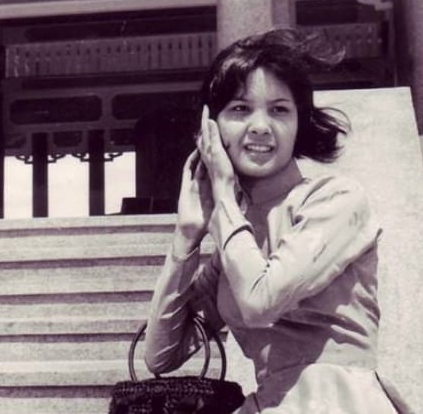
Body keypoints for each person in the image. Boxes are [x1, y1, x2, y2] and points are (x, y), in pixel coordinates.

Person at [144, 28, 409, 413]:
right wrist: (186, 236)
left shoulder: (336, 200)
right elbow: (160, 355)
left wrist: (222, 197)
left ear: (300, 123)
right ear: (210, 128)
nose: (260, 126)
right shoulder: (235, 243)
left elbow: (260, 301)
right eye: (240, 109)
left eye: (279, 110)